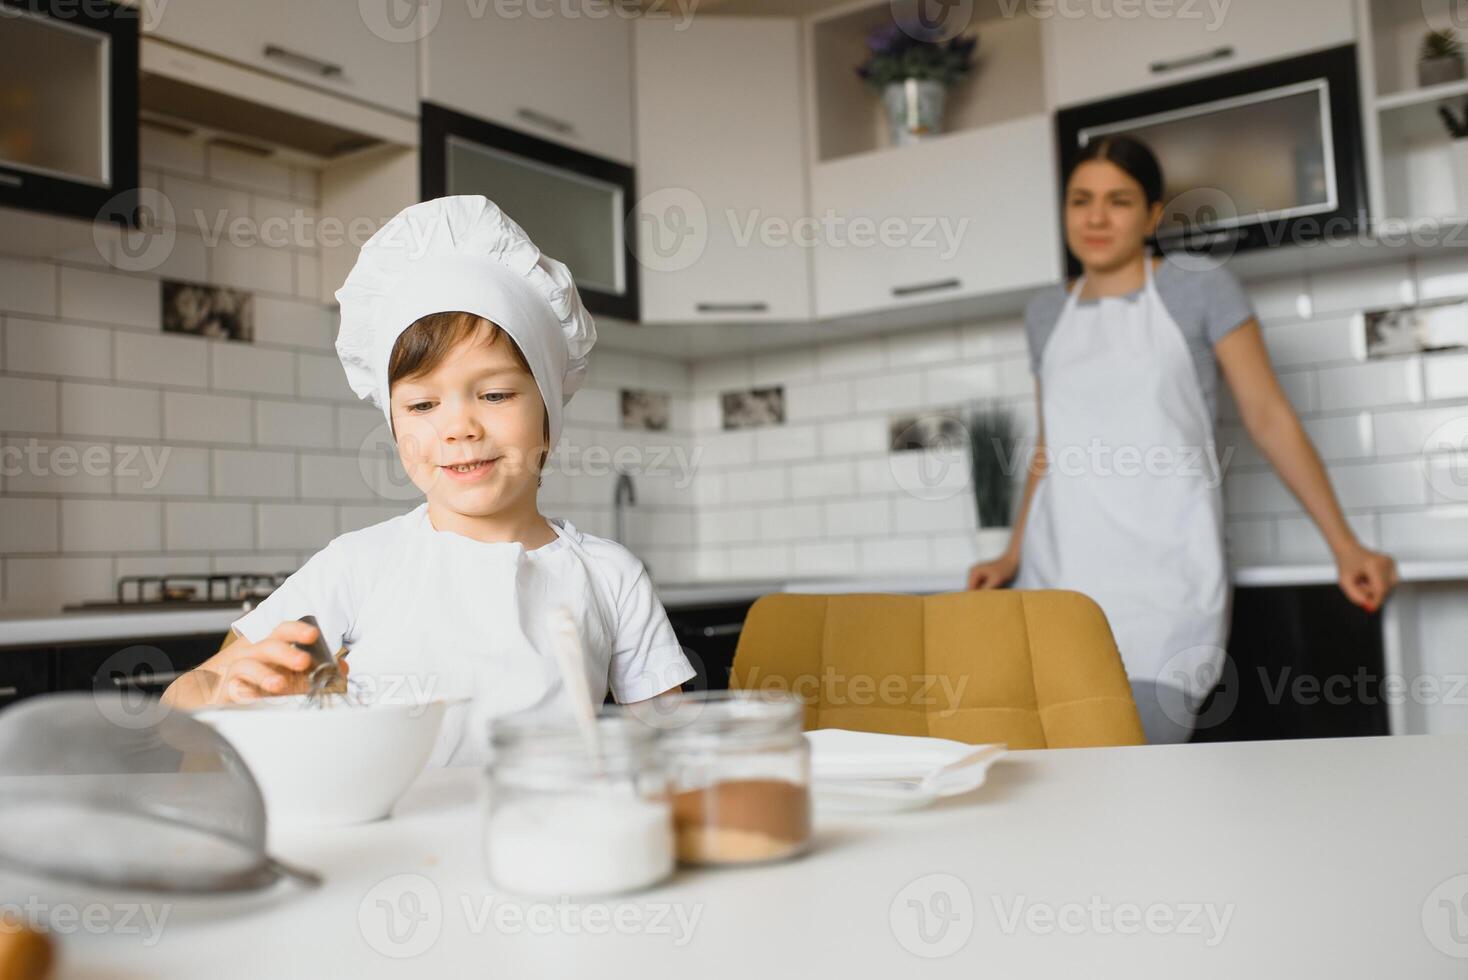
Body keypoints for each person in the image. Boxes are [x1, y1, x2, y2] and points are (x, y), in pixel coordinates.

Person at [163, 196, 696, 765]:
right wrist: (229, 693)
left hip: (546, 839)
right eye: (422, 405)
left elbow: (678, 751)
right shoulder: (359, 566)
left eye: (494, 395)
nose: (459, 427)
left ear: (548, 414)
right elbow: (184, 700)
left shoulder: (610, 577)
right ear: (394, 426)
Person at [966, 136, 1397, 744]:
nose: (1094, 217)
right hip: (1058, 580)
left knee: (1140, 764)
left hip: (1166, 581)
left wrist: (1346, 546)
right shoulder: (1044, 313)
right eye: (1080, 200)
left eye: (1118, 201)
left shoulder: (1199, 290)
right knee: (1061, 788)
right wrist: (1011, 555)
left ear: (1152, 214)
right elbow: (1049, 446)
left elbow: (1268, 416)